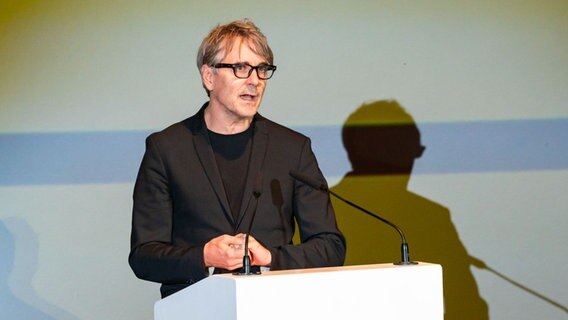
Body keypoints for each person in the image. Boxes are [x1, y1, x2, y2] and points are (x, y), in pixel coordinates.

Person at [128, 19, 346, 298]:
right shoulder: (167, 149)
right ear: (208, 76)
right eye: (240, 68)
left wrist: (270, 258)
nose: (254, 81)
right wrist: (204, 256)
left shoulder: (292, 149)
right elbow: (144, 255)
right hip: (194, 307)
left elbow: (330, 246)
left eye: (262, 69)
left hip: (276, 304)